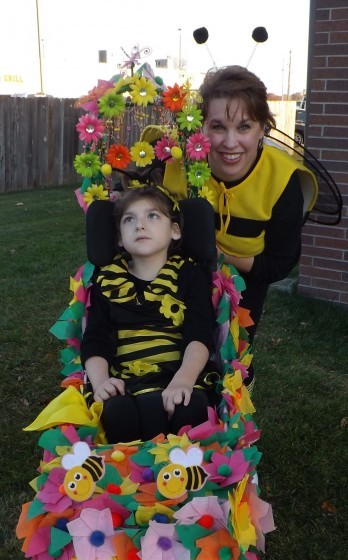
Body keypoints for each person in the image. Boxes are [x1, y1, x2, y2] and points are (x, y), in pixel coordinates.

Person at [161, 65, 318, 348]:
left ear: (262, 129)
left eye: (244, 126)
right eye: (218, 126)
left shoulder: (283, 181)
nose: (230, 143)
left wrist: (222, 257)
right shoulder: (173, 162)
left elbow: (279, 264)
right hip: (170, 287)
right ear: (201, 126)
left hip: (245, 289)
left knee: (228, 364)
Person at [80, 184, 216, 444]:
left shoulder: (189, 275)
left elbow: (199, 331)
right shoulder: (107, 281)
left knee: (190, 406)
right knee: (117, 411)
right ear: (119, 237)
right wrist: (100, 382)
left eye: (152, 216)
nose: (139, 225)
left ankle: (181, 477)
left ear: (174, 231)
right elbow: (96, 337)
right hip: (127, 380)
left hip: (179, 374)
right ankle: (132, 480)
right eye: (129, 219)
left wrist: (184, 380)